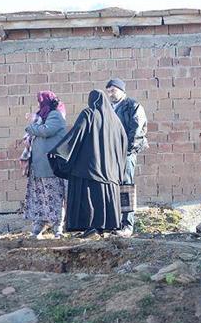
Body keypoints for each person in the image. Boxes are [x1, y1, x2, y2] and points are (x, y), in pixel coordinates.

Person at [48, 89, 127, 238]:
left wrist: (58, 151)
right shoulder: (116, 121)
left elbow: (76, 134)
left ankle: (90, 227)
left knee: (88, 196)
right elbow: (123, 144)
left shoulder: (89, 114)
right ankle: (104, 228)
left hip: (89, 168)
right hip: (111, 173)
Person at [22, 91, 68, 239]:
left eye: (39, 102)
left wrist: (30, 127)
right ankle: (38, 228)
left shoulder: (55, 115)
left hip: (50, 167)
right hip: (38, 167)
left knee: (53, 198)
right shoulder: (42, 117)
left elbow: (47, 130)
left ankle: (57, 230)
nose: (37, 105)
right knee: (39, 198)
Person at [105, 78, 148, 237]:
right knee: (112, 187)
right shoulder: (107, 108)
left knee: (126, 187)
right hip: (110, 154)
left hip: (126, 154)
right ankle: (114, 223)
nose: (110, 94)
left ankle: (127, 225)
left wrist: (127, 150)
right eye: (108, 91)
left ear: (122, 90)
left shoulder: (132, 106)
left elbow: (137, 130)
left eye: (113, 90)